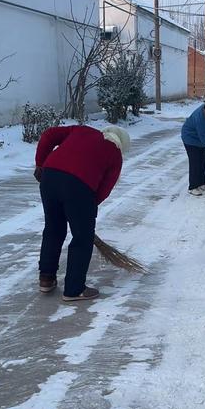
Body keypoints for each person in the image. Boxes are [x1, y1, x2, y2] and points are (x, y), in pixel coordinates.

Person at [33, 124, 130, 302]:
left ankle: (46, 279)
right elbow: (104, 189)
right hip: (79, 187)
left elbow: (48, 135)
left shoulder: (82, 130)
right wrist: (86, 211)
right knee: (82, 237)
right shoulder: (115, 154)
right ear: (121, 144)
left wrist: (40, 164)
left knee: (53, 229)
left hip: (50, 177)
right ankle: (74, 289)